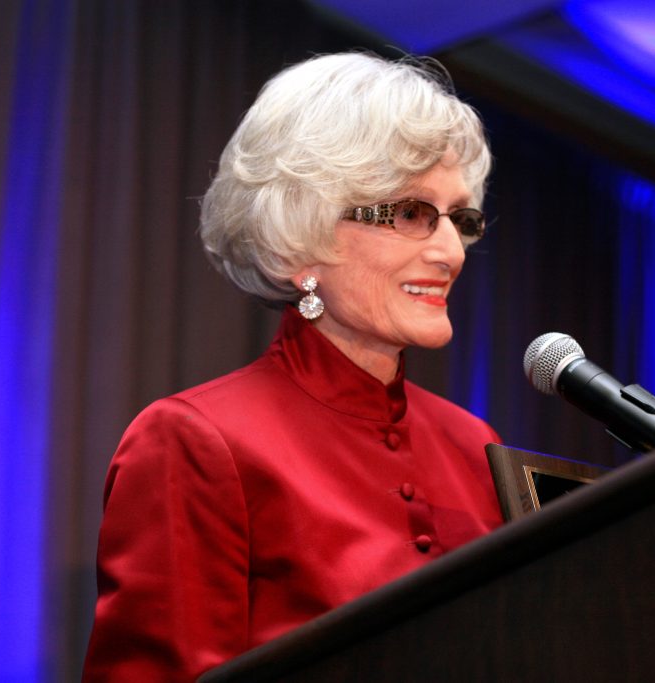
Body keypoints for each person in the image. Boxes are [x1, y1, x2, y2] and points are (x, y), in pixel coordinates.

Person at [82, 52, 502, 681]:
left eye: (460, 219)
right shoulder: (193, 440)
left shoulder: (477, 448)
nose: (450, 252)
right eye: (412, 213)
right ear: (299, 237)